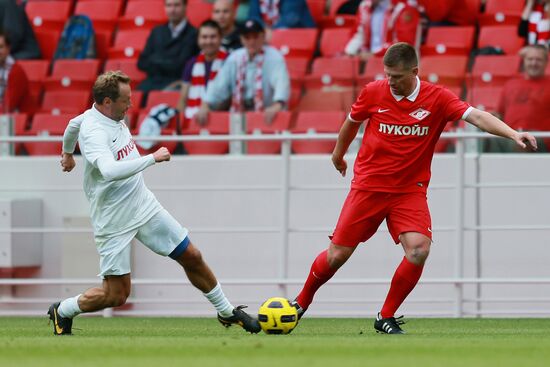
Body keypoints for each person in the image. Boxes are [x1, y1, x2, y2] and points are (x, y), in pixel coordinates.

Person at [290, 42, 537, 334]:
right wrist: (337, 154)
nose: (390, 81)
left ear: (414, 71)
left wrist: (513, 133)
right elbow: (351, 123)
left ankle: (385, 316)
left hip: (409, 191)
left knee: (419, 250)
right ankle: (300, 303)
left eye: (396, 76)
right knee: (337, 256)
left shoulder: (438, 98)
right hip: (369, 187)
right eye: (387, 75)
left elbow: (477, 116)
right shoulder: (373, 91)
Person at [50, 71, 261, 335]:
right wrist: (153, 158)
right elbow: (109, 171)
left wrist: (67, 154)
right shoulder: (94, 133)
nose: (131, 105)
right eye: (126, 100)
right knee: (116, 296)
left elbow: (71, 125)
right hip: (113, 218)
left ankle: (227, 311)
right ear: (106, 102)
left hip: (143, 205)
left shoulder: (98, 115)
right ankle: (64, 309)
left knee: (191, 255)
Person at [197, 18, 289, 125]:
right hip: (239, 116)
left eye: (255, 37)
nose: (252, 42)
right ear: (241, 39)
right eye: (247, 38)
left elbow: (282, 86)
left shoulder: (275, 57)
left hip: (267, 116)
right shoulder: (235, 57)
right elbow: (219, 86)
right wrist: (206, 105)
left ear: (263, 37)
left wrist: (276, 106)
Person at [488, 44, 550, 152]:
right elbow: (500, 114)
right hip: (510, 135)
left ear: (546, 62)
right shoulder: (511, 84)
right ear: (524, 61)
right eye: (530, 59)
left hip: (539, 138)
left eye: (538, 60)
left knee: (524, 142)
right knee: (481, 136)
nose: (534, 63)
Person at [137, 0, 199, 93]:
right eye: (169, 5)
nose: (172, 10)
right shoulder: (156, 32)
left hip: (177, 85)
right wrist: (170, 62)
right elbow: (142, 62)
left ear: (185, 6)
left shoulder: (194, 34)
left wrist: (156, 60)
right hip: (151, 83)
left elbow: (182, 66)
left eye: (176, 5)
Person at [179, 20, 228, 122]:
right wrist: (179, 121)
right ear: (198, 39)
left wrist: (209, 111)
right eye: (204, 37)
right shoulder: (191, 63)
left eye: (213, 37)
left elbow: (230, 96)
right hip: (193, 118)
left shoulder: (229, 61)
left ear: (220, 38)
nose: (208, 41)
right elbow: (183, 98)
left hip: (221, 119)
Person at [345, 0, 421, 61]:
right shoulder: (365, 6)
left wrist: (374, 54)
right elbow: (359, 34)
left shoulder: (404, 7)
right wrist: (349, 52)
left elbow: (403, 45)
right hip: (371, 62)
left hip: (398, 64)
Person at [248, 0, 316, 41]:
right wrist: (265, 30)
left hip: (299, 36)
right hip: (267, 35)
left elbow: (290, 19)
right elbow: (253, 17)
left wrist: (269, 32)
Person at [0, 31, 32, 113]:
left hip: (16, 121)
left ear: (8, 48)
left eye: (1, 47)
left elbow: (9, 105)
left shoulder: (16, 71)